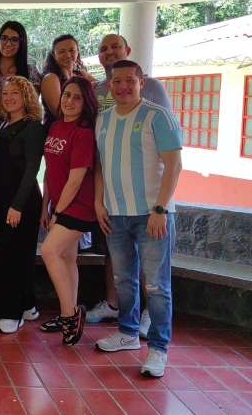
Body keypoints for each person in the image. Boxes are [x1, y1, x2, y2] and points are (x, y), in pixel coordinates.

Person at [94, 59, 182, 379]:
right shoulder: (103, 119)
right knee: (123, 280)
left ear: (141, 82)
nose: (123, 87)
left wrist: (160, 209)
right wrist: (99, 202)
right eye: (117, 81)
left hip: (151, 216)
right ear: (109, 85)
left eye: (129, 80)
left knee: (156, 285)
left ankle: (158, 349)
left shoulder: (157, 116)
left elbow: (174, 165)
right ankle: (127, 333)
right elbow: (100, 165)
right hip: (115, 214)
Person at [86, 34, 173, 327]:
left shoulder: (155, 97)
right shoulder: (99, 96)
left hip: (149, 204)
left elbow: (171, 158)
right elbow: (100, 155)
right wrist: (99, 200)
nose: (109, 52)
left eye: (115, 46)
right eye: (103, 48)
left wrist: (160, 207)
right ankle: (119, 314)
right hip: (114, 202)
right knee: (119, 266)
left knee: (153, 274)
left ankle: (150, 320)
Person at [39, 76, 99, 346]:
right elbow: (50, 171)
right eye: (66, 95)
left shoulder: (83, 132)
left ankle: (69, 315)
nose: (70, 101)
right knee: (66, 258)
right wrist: (46, 206)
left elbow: (75, 180)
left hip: (78, 205)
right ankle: (71, 310)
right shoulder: (55, 126)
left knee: (49, 251)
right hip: (59, 202)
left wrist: (57, 213)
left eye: (77, 97)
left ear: (86, 102)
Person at [0, 76, 46, 334]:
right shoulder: (3, 125)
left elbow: (31, 169)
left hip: (22, 203)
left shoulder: (33, 128)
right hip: (3, 201)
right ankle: (27, 305)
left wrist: (17, 205)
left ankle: (12, 314)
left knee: (14, 257)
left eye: (15, 93)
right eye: (5, 94)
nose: (9, 98)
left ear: (26, 97)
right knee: (14, 253)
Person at [40, 34, 92, 131]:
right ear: (54, 55)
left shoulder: (82, 74)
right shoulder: (51, 78)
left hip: (81, 128)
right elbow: (59, 113)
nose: (68, 55)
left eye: (71, 50)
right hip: (58, 133)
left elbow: (103, 86)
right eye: (62, 51)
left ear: (77, 51)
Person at [0, 21, 41, 93]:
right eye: (4, 38)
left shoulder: (31, 72)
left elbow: (33, 99)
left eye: (14, 40)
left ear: (21, 43)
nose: (8, 44)